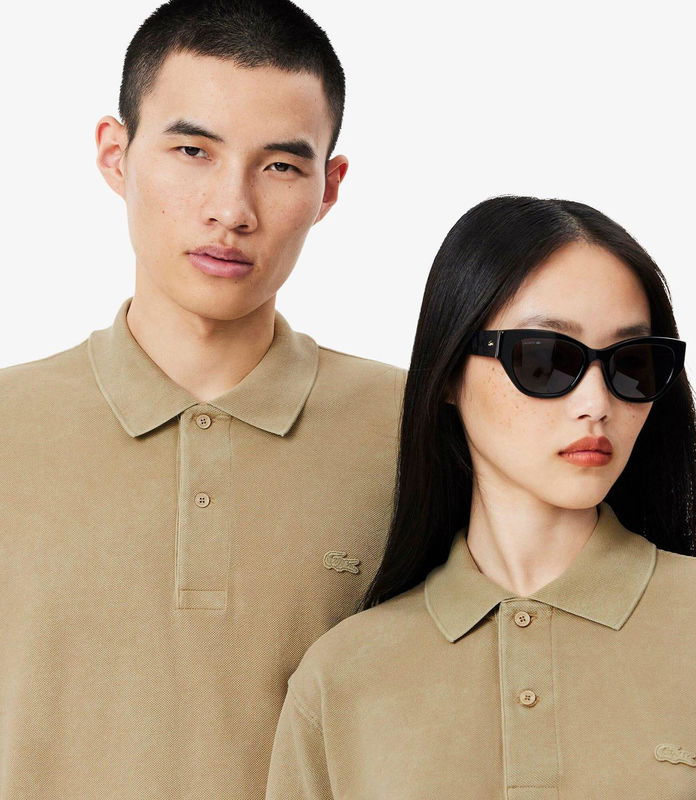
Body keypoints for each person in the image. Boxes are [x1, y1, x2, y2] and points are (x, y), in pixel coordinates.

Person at [265, 195, 696, 799]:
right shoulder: (342, 677)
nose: (596, 404)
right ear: (448, 373)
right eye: (546, 360)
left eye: (633, 365)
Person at [0, 1, 405, 797]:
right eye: (192, 151)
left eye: (280, 166)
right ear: (115, 155)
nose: (232, 210)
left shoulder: (417, 430)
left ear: (329, 187)